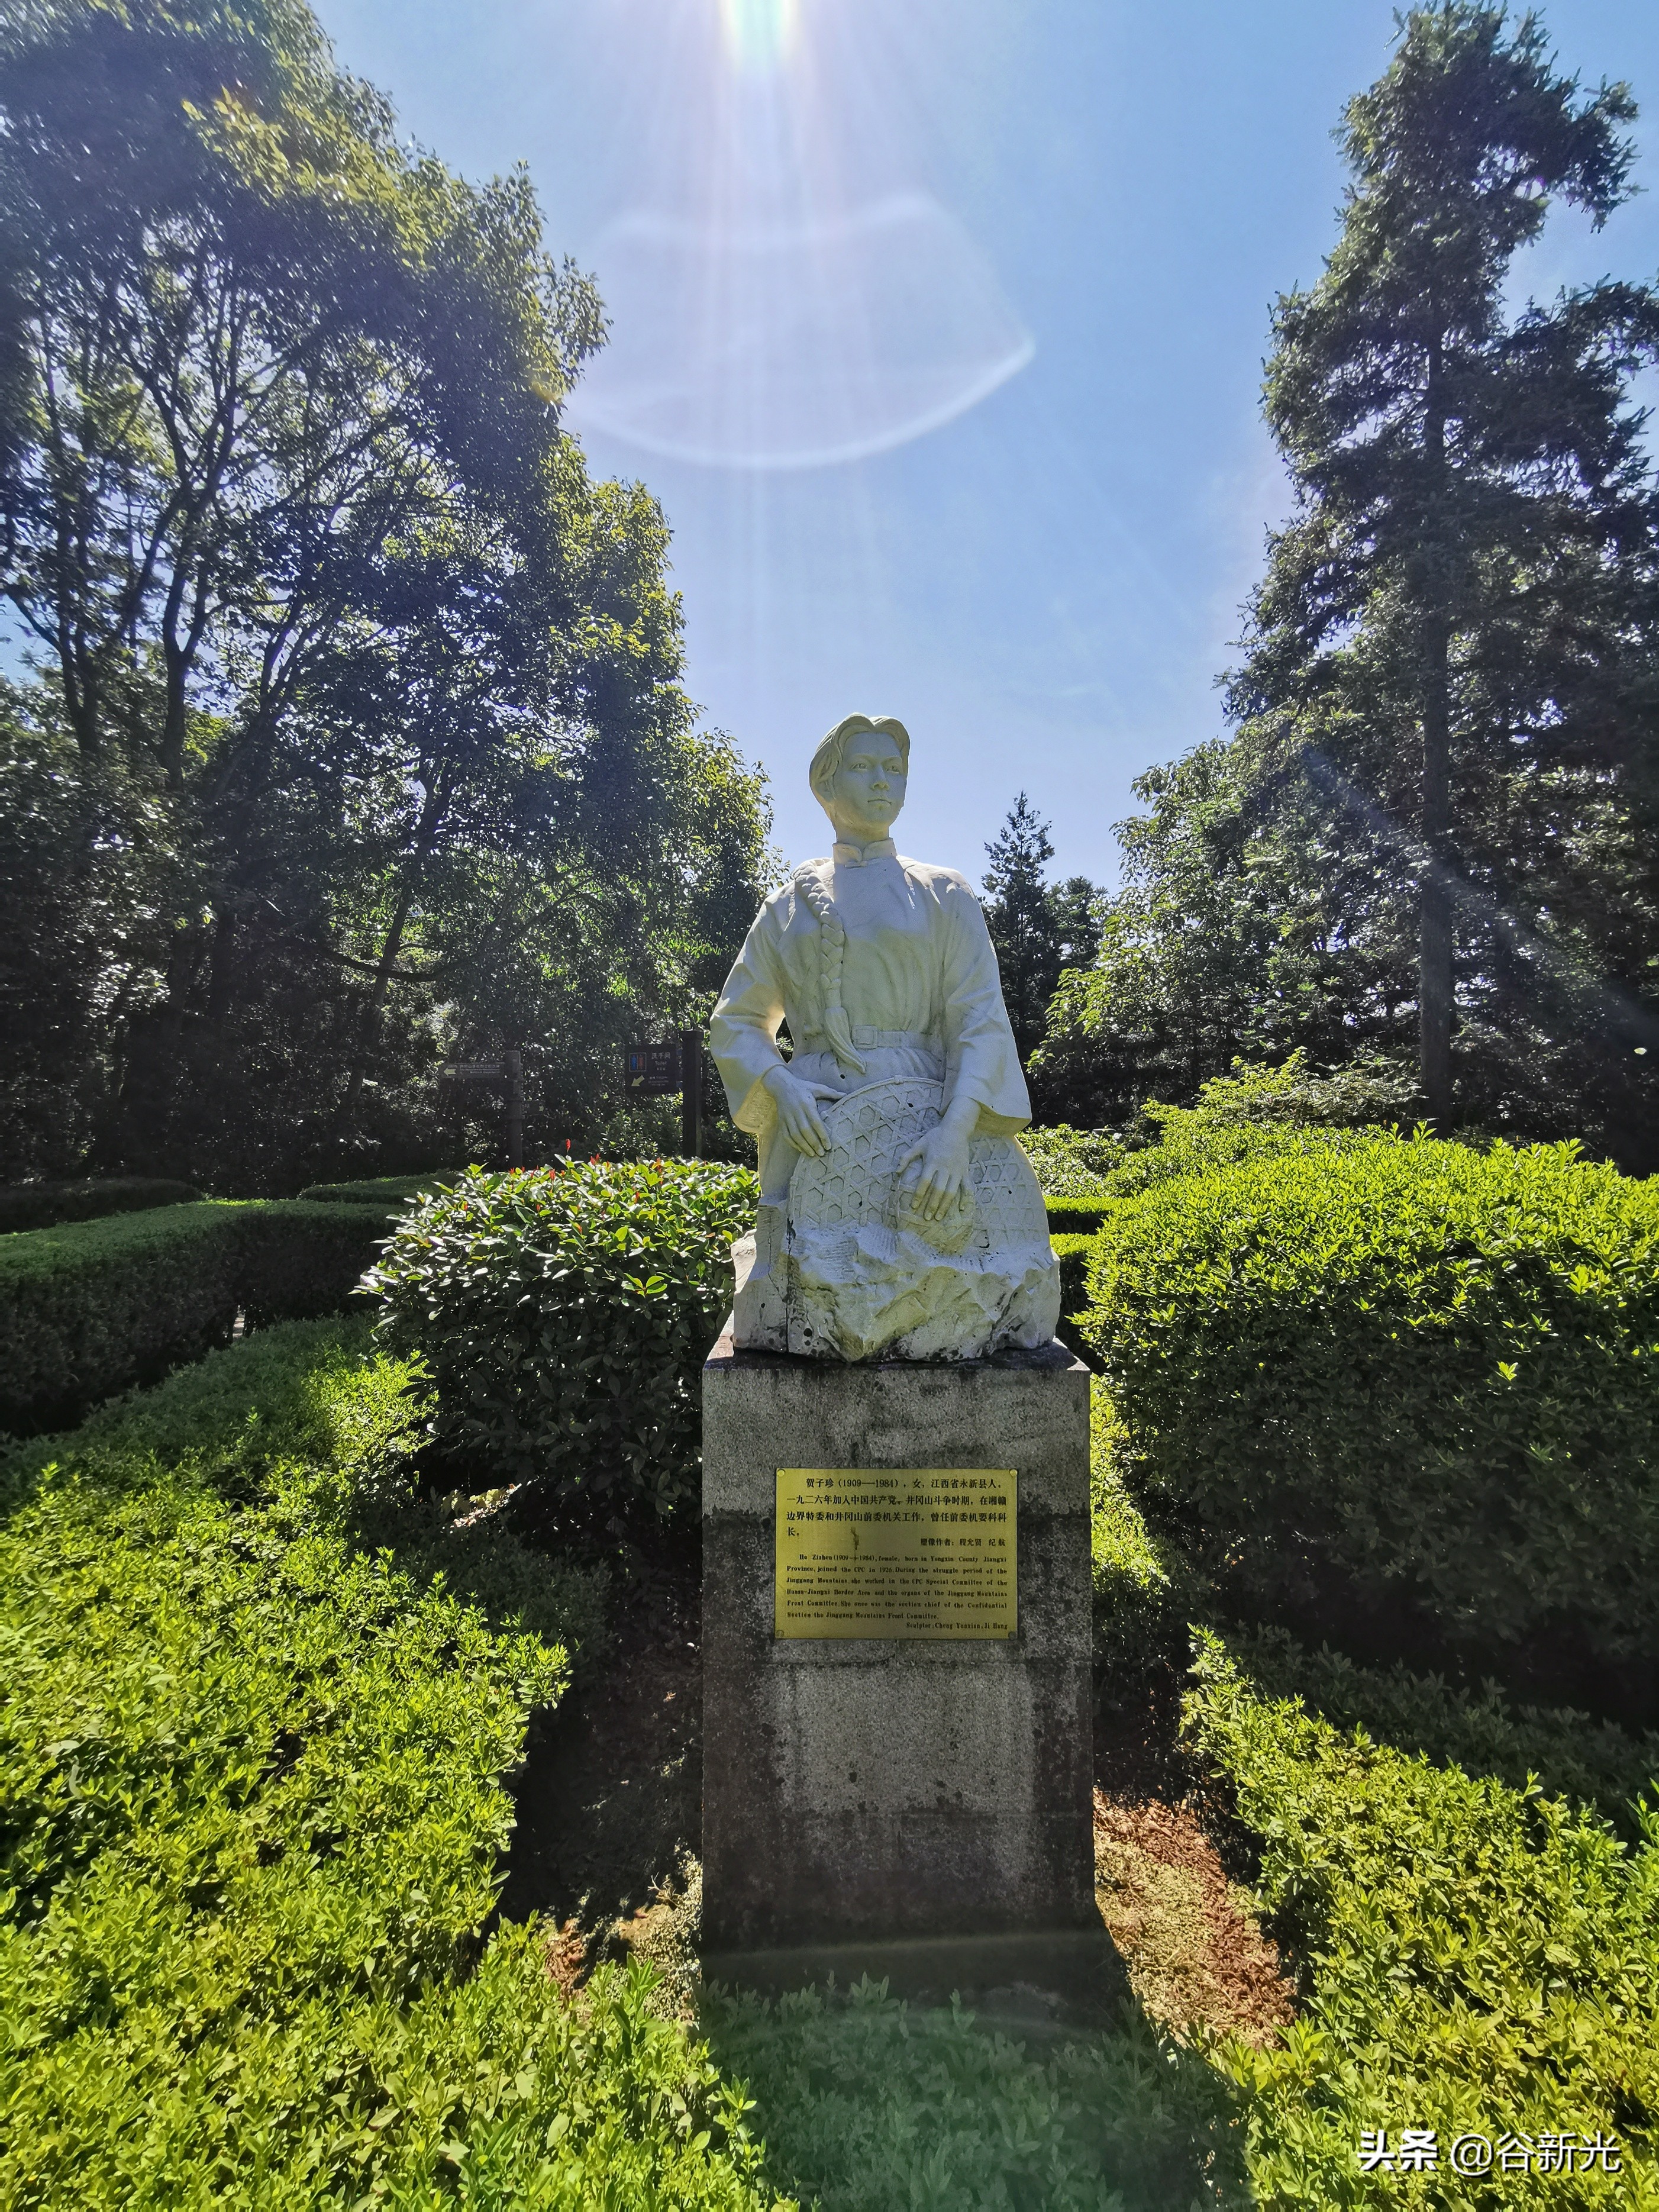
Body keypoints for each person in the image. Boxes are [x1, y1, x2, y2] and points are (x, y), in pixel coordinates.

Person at [710, 711, 1032, 1223]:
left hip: (924, 1114)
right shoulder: (784, 907)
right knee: (802, 1287)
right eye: (863, 765)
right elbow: (737, 1021)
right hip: (811, 1121)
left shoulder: (943, 893)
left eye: (894, 767)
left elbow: (980, 1020)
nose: (883, 780)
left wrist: (955, 1134)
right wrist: (781, 1085)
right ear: (826, 783)